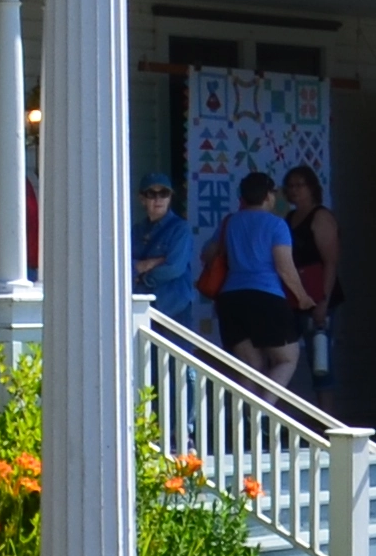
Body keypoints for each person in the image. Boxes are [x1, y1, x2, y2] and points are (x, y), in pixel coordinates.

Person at [210, 170, 304, 378]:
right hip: (266, 298)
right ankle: (265, 409)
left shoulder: (230, 222)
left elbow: (208, 253)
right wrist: (303, 297)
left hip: (231, 300)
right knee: (287, 359)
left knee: (251, 367)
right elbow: (285, 268)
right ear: (268, 195)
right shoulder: (277, 224)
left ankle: (247, 411)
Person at [280, 160, 345, 403]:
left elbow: (331, 261)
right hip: (293, 297)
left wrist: (323, 302)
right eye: (290, 186)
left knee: (320, 360)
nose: (295, 190)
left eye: (300, 185)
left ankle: (327, 425)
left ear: (312, 188)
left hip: (319, 295)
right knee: (285, 356)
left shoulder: (321, 217)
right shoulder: (289, 217)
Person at [132, 174, 210, 337]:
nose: (158, 199)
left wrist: (142, 277)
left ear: (170, 197)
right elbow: (124, 265)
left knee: (179, 359)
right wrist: (146, 265)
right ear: (142, 199)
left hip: (174, 308)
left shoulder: (180, 229)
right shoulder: (136, 230)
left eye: (164, 194)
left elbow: (174, 267)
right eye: (151, 194)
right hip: (141, 309)